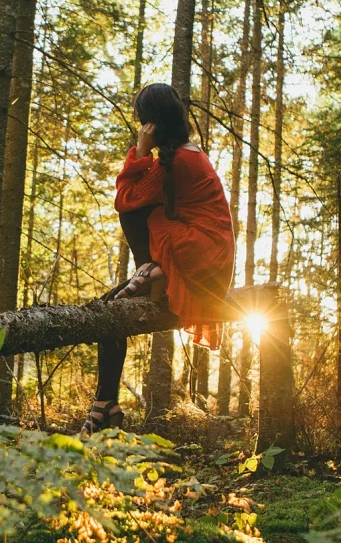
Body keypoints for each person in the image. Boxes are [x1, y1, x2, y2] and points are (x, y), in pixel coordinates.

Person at [81, 83, 237, 435]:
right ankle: (105, 403)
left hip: (199, 255)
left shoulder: (179, 161)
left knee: (135, 211)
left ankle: (151, 270)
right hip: (203, 253)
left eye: (143, 122)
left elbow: (125, 199)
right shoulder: (184, 154)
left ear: (152, 123)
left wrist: (139, 150)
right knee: (110, 309)